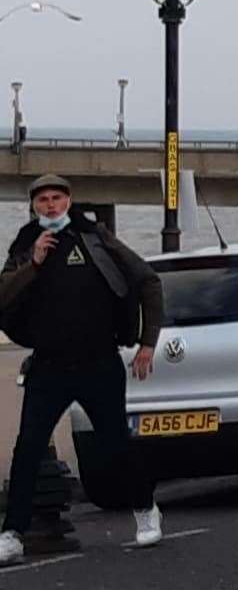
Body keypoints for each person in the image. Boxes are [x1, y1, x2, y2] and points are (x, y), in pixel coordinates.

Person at [0, 175, 164, 565]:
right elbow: (3, 295)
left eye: (57, 198)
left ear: (69, 200)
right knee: (28, 448)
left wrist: (147, 342)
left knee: (115, 446)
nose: (51, 206)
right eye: (43, 200)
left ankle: (145, 510)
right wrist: (34, 264)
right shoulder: (25, 244)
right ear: (33, 205)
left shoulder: (93, 237)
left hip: (99, 363)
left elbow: (147, 280)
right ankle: (13, 532)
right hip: (48, 366)